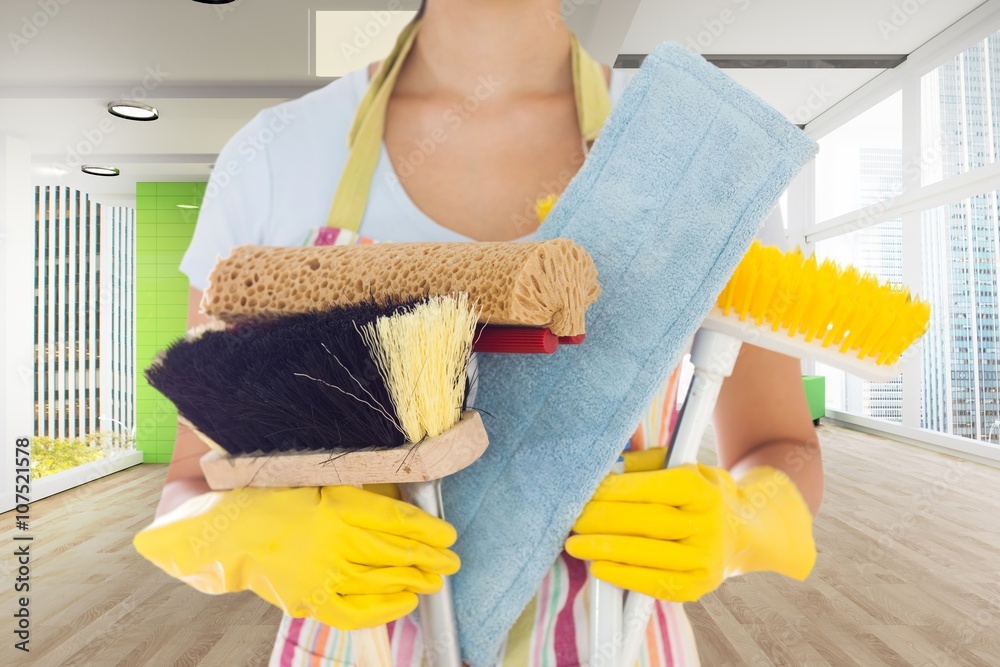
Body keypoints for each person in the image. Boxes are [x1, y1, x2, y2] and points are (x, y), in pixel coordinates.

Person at [133, 1, 824, 665]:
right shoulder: (275, 156)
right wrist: (256, 538)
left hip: (620, 639)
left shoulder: (698, 149)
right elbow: (190, 482)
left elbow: (782, 447)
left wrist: (741, 522)